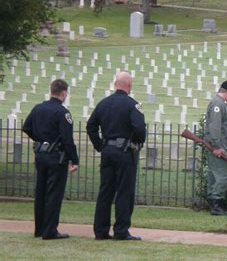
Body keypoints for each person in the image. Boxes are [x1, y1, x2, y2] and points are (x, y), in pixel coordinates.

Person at [87, 71, 146, 241]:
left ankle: (101, 231)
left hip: (107, 151)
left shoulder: (103, 104)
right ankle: (121, 230)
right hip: (125, 153)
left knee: (105, 191)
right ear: (129, 85)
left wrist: (100, 146)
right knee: (124, 192)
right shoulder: (132, 105)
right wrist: (136, 143)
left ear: (115, 84)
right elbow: (140, 130)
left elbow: (91, 126)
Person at [22, 79, 79, 240]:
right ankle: (50, 231)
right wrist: (74, 160)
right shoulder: (63, 113)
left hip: (40, 155)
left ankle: (39, 229)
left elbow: (26, 127)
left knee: (40, 192)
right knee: (54, 193)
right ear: (64, 93)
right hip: (56, 157)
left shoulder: (38, 108)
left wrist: (40, 140)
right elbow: (68, 140)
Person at [204, 80, 227, 216]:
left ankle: (215, 204)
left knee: (215, 175)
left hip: (219, 145)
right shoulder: (218, 104)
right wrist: (217, 146)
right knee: (222, 176)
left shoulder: (220, 104)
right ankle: (216, 206)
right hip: (218, 147)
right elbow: (215, 127)